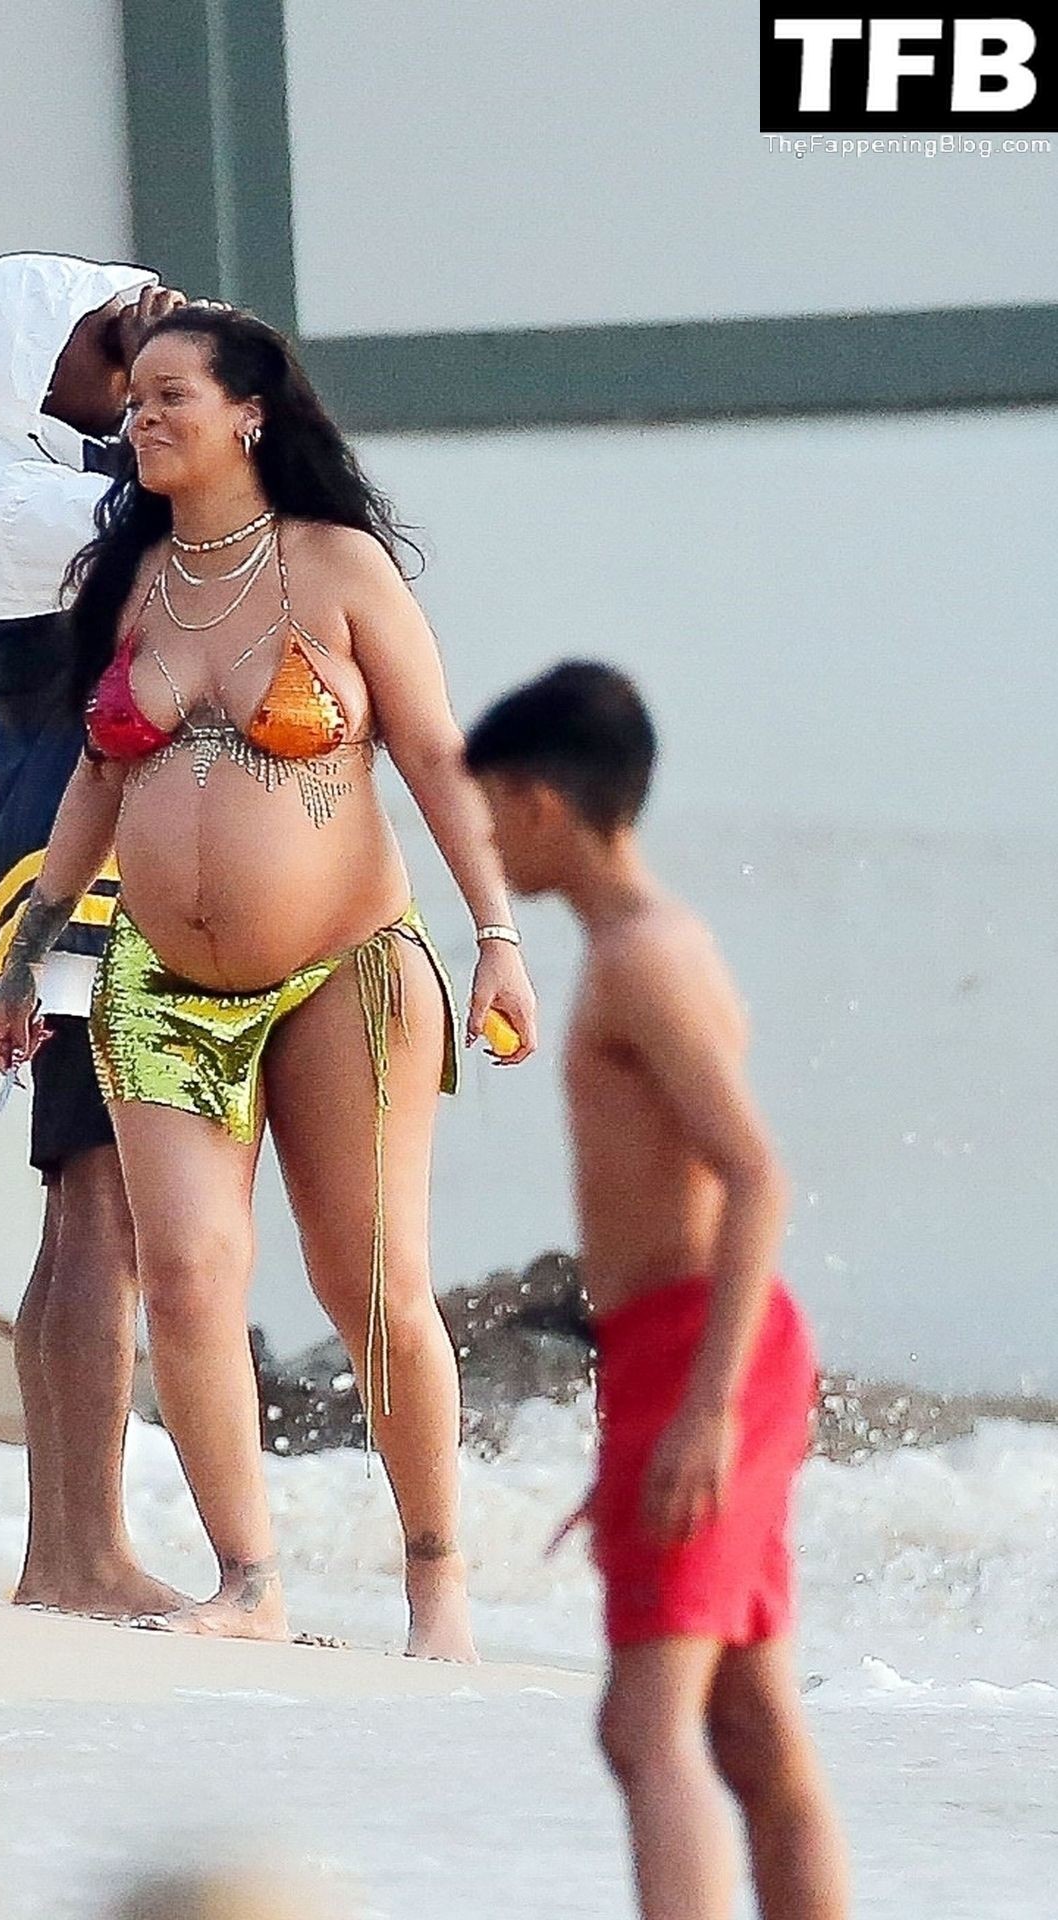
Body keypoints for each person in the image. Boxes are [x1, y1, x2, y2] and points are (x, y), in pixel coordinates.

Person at [0, 304, 538, 1658]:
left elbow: (434, 757)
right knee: (183, 1275)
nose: (141, 418)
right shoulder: (128, 581)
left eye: (170, 394)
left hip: (346, 973)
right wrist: (32, 953)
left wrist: (497, 937)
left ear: (249, 414)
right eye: (133, 400)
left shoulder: (337, 566)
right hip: (157, 982)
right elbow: (95, 781)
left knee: (372, 1289)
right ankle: (248, 1584)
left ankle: (436, 1588)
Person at [465, 663, 849, 1919]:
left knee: (643, 1730)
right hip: (675, 1346)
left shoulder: (641, 958)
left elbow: (756, 1175)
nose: (482, 841)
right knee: (747, 1728)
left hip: (700, 1348)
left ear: (538, 804)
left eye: (487, 810)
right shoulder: (653, 945)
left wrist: (703, 1407)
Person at [0, 253, 186, 1615]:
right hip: (67, 875)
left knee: (82, 1197)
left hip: (57, 865)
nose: (131, 370)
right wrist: (189, 369)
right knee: (107, 1198)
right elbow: (205, 500)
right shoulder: (13, 499)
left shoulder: (32, 482)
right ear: (35, 366)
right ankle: (83, 1556)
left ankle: (62, 1554)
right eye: (109, 341)